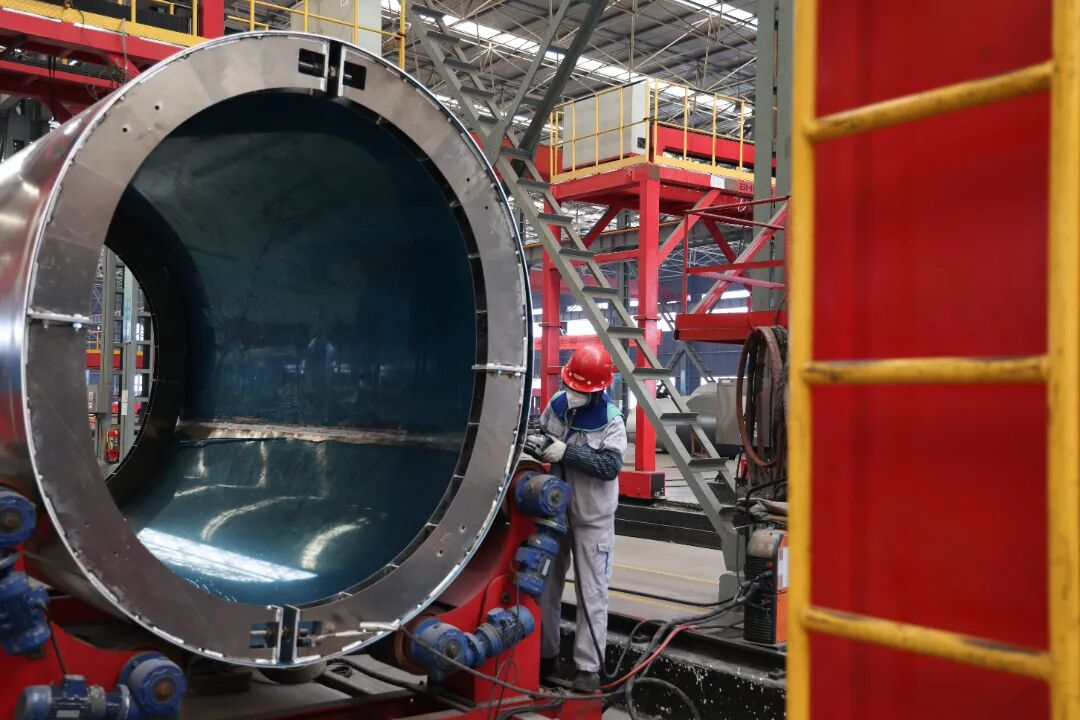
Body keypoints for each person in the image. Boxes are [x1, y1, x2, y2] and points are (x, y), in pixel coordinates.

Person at [525, 344, 627, 693]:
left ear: (597, 390)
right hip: (554, 514)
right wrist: (539, 444)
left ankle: (587, 669)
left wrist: (567, 452)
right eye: (570, 386)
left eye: (580, 389)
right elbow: (541, 434)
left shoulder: (611, 420)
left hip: (592, 520)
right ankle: (545, 656)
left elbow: (609, 466)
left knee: (591, 594)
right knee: (545, 588)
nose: (572, 393)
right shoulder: (557, 405)